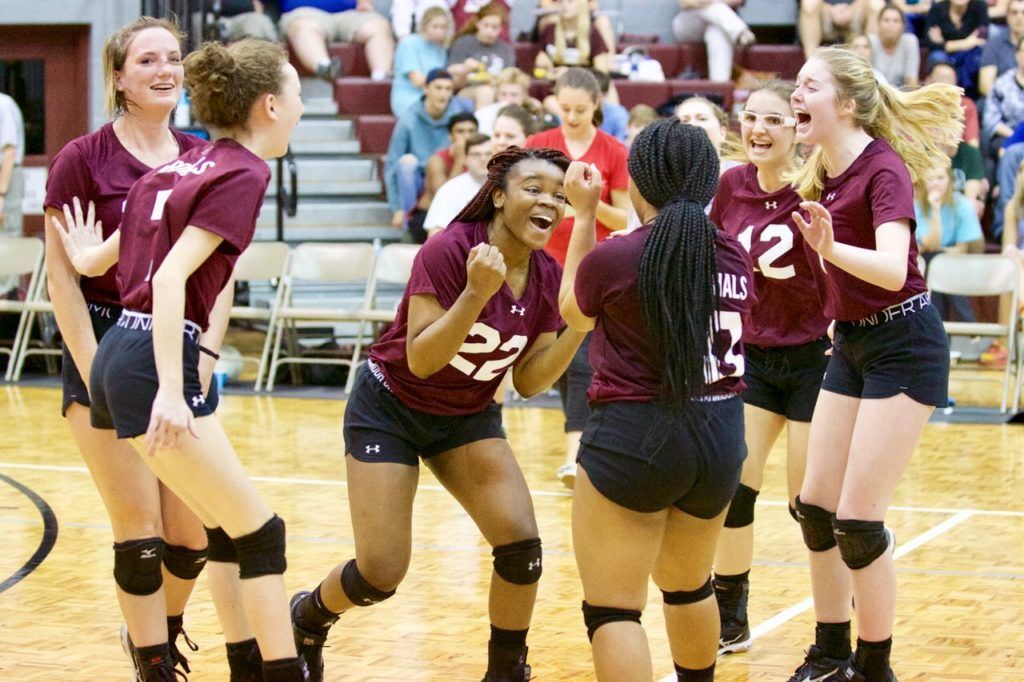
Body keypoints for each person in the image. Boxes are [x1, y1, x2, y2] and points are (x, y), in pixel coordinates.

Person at [288, 147, 596, 682]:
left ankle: (506, 672)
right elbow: (423, 359)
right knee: (380, 574)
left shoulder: (545, 274)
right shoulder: (449, 249)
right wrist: (477, 295)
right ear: (498, 196)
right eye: (534, 188)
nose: (549, 201)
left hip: (466, 416)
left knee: (522, 550)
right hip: (391, 406)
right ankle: (307, 617)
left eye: (559, 195)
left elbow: (527, 380)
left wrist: (579, 327)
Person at [56, 38, 308, 681]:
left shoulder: (178, 168)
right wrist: (173, 386)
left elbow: (106, 255)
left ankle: (242, 661)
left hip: (125, 349)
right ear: (272, 105)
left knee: (218, 530)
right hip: (150, 356)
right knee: (258, 534)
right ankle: (271, 669)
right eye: (299, 96)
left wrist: (87, 260)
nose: (303, 106)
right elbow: (169, 280)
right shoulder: (243, 172)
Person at [42, 17, 212, 679]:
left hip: (172, 341)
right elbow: (64, 281)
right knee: (139, 531)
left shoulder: (199, 154)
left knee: (191, 537)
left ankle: (158, 631)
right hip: (105, 338)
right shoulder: (82, 158)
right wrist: (96, 373)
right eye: (148, 60)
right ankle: (152, 662)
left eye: (173, 58)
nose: (165, 69)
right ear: (119, 76)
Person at [786, 46, 961, 681]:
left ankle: (874, 666)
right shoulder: (822, 170)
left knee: (859, 523)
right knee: (816, 508)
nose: (796, 95)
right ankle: (830, 652)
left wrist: (833, 247)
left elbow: (892, 269)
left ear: (849, 104)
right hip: (856, 342)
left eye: (810, 86)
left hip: (905, 345)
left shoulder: (883, 168)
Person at [558, 117, 753, 682]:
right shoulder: (734, 256)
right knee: (690, 587)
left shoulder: (619, 257)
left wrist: (587, 214)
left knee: (614, 608)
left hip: (635, 437)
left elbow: (572, 310)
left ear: (637, 185)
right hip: (720, 438)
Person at [707, 80, 832, 658]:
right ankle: (730, 616)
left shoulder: (820, 188)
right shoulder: (731, 185)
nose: (757, 129)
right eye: (751, 117)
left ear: (798, 128)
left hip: (815, 360)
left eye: (773, 120)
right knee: (736, 490)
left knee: (811, 505)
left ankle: (835, 624)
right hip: (753, 357)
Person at [524, 67, 629, 488]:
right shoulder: (538, 145)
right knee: (553, 364)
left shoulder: (614, 151)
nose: (570, 117)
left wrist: (588, 204)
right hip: (542, 266)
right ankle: (582, 445)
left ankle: (576, 454)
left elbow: (625, 216)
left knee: (582, 358)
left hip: (591, 266)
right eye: (564, 109)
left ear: (597, 106)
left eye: (580, 110)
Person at [385, 68, 474, 230]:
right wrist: (395, 207)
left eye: (448, 89)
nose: (443, 94)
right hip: (418, 179)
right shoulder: (408, 119)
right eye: (438, 88)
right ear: (426, 89)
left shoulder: (459, 117)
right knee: (406, 163)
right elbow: (392, 164)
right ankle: (408, 222)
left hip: (447, 174)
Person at [915, 162, 984, 320]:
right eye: (930, 178)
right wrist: (936, 210)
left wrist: (939, 251)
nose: (936, 183)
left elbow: (963, 248)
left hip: (955, 263)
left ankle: (939, 323)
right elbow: (923, 247)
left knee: (938, 261)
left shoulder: (962, 204)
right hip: (924, 263)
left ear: (950, 180)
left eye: (940, 178)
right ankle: (968, 321)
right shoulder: (915, 205)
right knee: (934, 261)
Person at [280, 0, 394, 82]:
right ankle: (325, 68)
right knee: (302, 28)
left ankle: (381, 77)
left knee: (379, 27)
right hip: (304, 13)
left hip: (352, 13)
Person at [447, 1, 517, 107]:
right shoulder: (463, 43)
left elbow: (510, 76)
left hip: (499, 91)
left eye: (494, 27)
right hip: (467, 90)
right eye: (486, 25)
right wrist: (465, 68)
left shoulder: (505, 49)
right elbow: (450, 72)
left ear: (501, 28)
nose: (489, 31)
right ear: (478, 24)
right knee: (486, 92)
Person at [424, 132, 491, 236]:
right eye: (476, 154)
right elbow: (435, 233)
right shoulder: (450, 189)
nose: (483, 159)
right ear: (465, 159)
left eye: (488, 154)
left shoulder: (506, 186)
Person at [672, 0, 756, 83]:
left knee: (717, 32)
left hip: (720, 24)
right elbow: (685, 2)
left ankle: (719, 86)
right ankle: (740, 32)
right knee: (712, 7)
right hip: (689, 24)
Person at [391, 5, 453, 116]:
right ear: (424, 26)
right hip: (409, 98)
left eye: (443, 28)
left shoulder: (440, 49)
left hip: (435, 97)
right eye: (435, 27)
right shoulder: (409, 43)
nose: (439, 31)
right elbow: (417, 81)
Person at [925, 0, 989, 97]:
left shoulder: (979, 6)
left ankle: (967, 96)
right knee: (937, 56)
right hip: (946, 55)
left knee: (977, 57)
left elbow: (982, 37)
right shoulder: (937, 9)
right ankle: (941, 97)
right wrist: (967, 42)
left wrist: (944, 43)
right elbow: (931, 43)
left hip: (969, 54)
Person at [534, 0, 613, 78]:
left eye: (570, 1)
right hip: (557, 84)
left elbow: (601, 73)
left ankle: (612, 63)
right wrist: (543, 63)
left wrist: (569, 73)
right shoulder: (550, 30)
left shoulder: (592, 34)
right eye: (560, 1)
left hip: (584, 85)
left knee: (603, 20)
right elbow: (541, 62)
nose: (564, 5)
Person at [868, 4, 921, 87]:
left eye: (895, 21)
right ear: (878, 24)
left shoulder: (910, 42)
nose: (891, 25)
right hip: (875, 94)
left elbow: (912, 80)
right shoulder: (870, 42)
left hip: (901, 96)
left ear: (903, 26)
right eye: (886, 20)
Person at [979, 0, 1024, 95]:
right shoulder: (994, 44)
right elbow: (985, 85)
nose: (1019, 17)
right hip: (1002, 99)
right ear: (1007, 16)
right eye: (1014, 12)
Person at [0, 89, 24, 240]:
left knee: (8, 234)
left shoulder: (3, 105)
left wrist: (1, 194)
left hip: (7, 174)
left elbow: (9, 153)